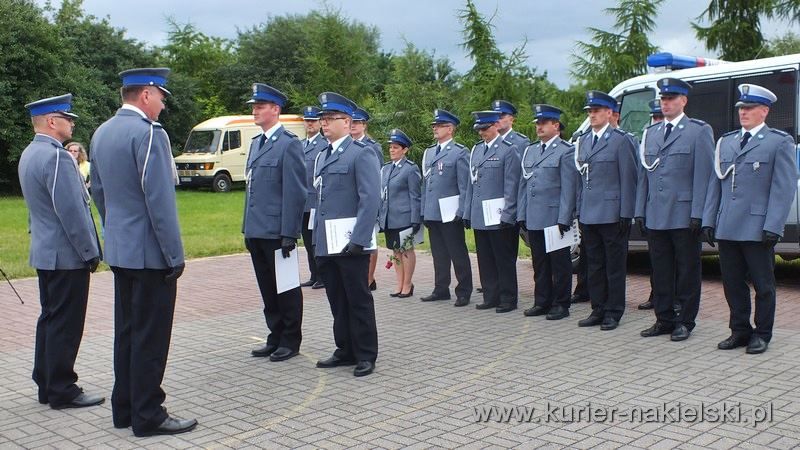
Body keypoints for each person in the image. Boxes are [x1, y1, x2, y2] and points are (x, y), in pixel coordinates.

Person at [91, 68, 197, 436]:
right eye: (162, 97)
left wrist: (116, 230)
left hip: (121, 249)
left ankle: (125, 408)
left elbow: (98, 192)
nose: (164, 105)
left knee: (128, 332)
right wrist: (174, 254)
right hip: (150, 252)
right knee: (151, 337)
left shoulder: (102, 132)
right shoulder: (150, 134)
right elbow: (159, 201)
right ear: (146, 94)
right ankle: (148, 414)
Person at [18, 94, 103, 410]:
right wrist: (89, 252)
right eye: (68, 118)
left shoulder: (30, 153)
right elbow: (71, 212)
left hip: (46, 252)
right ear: (52, 121)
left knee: (50, 319)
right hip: (66, 256)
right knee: (66, 324)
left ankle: (46, 382)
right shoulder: (57, 157)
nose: (72, 123)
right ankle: (62, 388)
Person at [702, 84, 798, 354]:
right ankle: (740, 330)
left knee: (763, 285)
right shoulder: (727, 141)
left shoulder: (778, 142)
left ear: (764, 111)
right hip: (727, 226)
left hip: (758, 227)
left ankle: (762, 334)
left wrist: (774, 226)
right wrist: (709, 220)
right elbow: (715, 184)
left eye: (749, 108)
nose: (743, 112)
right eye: (741, 108)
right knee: (732, 284)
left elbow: (783, 188)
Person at [635, 78, 714, 342]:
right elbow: (644, 176)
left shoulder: (698, 131)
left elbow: (704, 176)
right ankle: (664, 318)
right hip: (656, 214)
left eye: (671, 98)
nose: (665, 103)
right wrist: (640, 211)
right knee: (661, 271)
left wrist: (699, 214)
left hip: (683, 215)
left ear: (683, 101)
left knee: (687, 271)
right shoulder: (652, 133)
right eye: (663, 99)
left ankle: (685, 321)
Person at [312, 92, 381, 377]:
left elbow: (371, 199)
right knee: (337, 300)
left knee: (358, 298)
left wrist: (359, 240)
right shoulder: (322, 155)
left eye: (330, 118)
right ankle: (345, 349)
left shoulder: (361, 153)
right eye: (323, 119)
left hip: (351, 242)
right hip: (327, 241)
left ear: (347, 122)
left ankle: (365, 353)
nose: (324, 123)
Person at [243, 83, 306, 362]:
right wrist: (247, 228)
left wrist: (290, 232)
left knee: (286, 288)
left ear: (275, 109)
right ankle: (275, 335)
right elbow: (252, 189)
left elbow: (295, 192)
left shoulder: (288, 144)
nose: (255, 111)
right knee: (268, 289)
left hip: (278, 231)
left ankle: (290, 339)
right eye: (254, 107)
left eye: (260, 106)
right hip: (257, 229)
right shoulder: (256, 143)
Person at [574, 91, 637, 331]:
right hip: (589, 212)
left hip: (612, 213)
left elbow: (629, 178)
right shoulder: (584, 140)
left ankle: (613, 311)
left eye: (597, 111)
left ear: (609, 113)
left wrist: (626, 213)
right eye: (590, 111)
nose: (592, 115)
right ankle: (598, 308)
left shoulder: (621, 140)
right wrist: (579, 209)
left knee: (614, 266)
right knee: (595, 265)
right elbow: (581, 179)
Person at [518, 105, 577, 321]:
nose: (539, 127)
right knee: (540, 263)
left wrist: (564, 218)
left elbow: (569, 188)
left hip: (554, 217)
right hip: (534, 216)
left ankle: (561, 304)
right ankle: (542, 301)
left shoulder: (565, 150)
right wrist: (521, 214)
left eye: (543, 123)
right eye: (537, 123)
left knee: (560, 264)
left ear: (556, 126)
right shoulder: (531, 150)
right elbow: (524, 185)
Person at [464, 110, 521, 313]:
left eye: (485, 128)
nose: (482, 133)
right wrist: (467, 212)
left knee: (503, 259)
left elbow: (512, 186)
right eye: (479, 129)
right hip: (481, 214)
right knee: (485, 258)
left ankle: (508, 298)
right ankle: (491, 295)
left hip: (498, 215)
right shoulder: (477, 150)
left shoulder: (508, 150)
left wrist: (508, 213)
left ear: (496, 126)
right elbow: (471, 184)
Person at [419, 109, 473, 307]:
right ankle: (441, 289)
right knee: (439, 254)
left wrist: (461, 211)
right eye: (434, 126)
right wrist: (424, 210)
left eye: (440, 126)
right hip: (433, 211)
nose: (435, 129)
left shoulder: (459, 152)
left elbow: (464, 185)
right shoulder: (429, 152)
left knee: (457, 253)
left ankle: (464, 291)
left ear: (450, 129)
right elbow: (426, 184)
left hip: (451, 212)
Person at [378, 129, 421, 298]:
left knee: (406, 250)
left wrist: (415, 218)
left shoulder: (410, 169)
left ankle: (407, 284)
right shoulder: (386, 168)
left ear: (405, 150)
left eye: (396, 147)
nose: (392, 150)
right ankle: (399, 282)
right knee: (396, 251)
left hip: (404, 217)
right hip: (389, 218)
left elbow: (415, 196)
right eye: (390, 147)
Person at [350, 106, 383, 292]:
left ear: (364, 125)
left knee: (369, 239)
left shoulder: (372, 147)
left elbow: (376, 177)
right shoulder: (347, 145)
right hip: (351, 202)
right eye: (351, 122)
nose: (353, 126)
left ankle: (369, 278)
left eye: (357, 123)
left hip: (367, 198)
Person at [636, 98, 664, 311]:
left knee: (677, 262)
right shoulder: (648, 140)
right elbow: (642, 179)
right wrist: (640, 211)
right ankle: (657, 296)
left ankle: (676, 300)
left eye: (660, 117)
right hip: (654, 210)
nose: (657, 120)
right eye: (654, 117)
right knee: (656, 260)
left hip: (676, 210)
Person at [299, 106, 327, 290]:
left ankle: (322, 275)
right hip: (302, 201)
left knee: (317, 240)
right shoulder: (300, 145)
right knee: (307, 241)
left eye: (313, 121)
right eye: (307, 121)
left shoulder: (323, 145)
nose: (309, 124)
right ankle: (313, 274)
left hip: (315, 201)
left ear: (319, 123)